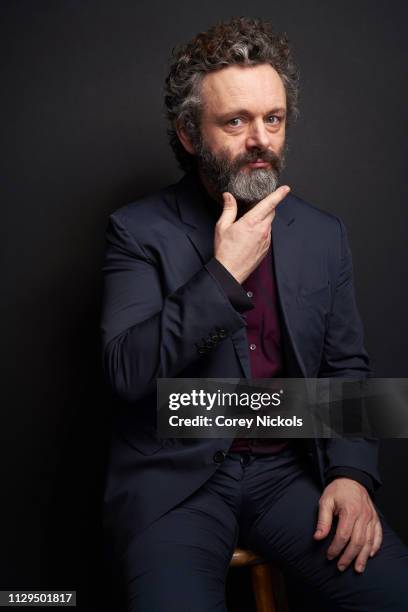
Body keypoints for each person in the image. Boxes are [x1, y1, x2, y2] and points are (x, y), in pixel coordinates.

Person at [100, 17, 408, 612]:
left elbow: (347, 368)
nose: (261, 138)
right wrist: (221, 276)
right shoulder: (137, 231)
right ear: (191, 135)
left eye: (273, 118)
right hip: (176, 486)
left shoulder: (323, 235)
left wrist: (351, 473)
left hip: (289, 478)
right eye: (235, 121)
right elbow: (127, 377)